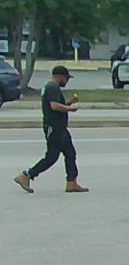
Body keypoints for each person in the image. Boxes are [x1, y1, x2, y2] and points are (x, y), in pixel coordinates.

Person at [13, 65, 89, 194]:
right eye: (66, 78)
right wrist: (71, 108)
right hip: (54, 128)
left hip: (60, 128)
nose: (67, 81)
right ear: (60, 76)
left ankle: (72, 182)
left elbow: (58, 104)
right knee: (51, 157)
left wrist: (70, 102)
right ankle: (26, 175)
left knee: (70, 153)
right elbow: (54, 106)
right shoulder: (51, 87)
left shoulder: (52, 88)